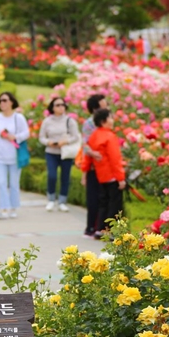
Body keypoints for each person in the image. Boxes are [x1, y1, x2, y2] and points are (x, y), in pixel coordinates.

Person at [81, 109, 125, 238]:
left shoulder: (94, 135)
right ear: (103, 121)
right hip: (111, 175)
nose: (112, 120)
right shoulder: (109, 136)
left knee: (103, 202)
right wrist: (121, 178)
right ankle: (109, 231)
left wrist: (85, 171)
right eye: (110, 118)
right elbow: (115, 158)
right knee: (114, 203)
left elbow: (88, 157)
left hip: (101, 175)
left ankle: (100, 229)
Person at [0, 92, 29, 220]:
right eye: (0, 101)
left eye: (4, 100)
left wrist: (15, 137)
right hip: (0, 156)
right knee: (1, 183)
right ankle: (3, 208)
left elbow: (26, 133)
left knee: (14, 183)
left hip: (14, 156)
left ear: (11, 102)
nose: (2, 103)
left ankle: (13, 207)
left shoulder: (18, 117)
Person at [38, 97, 80, 212]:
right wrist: (49, 142)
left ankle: (62, 201)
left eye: (62, 104)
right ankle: (51, 199)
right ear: (52, 107)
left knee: (65, 177)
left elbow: (75, 136)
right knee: (52, 175)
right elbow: (41, 137)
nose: (60, 107)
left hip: (65, 153)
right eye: (57, 105)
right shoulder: (47, 121)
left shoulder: (69, 121)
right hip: (51, 152)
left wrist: (65, 142)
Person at [80, 94, 108, 237]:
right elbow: (85, 145)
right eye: (104, 105)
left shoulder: (106, 122)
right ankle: (91, 227)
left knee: (104, 198)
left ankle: (100, 228)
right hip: (93, 165)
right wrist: (93, 153)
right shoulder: (89, 124)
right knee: (93, 198)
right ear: (96, 109)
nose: (107, 108)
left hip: (105, 165)